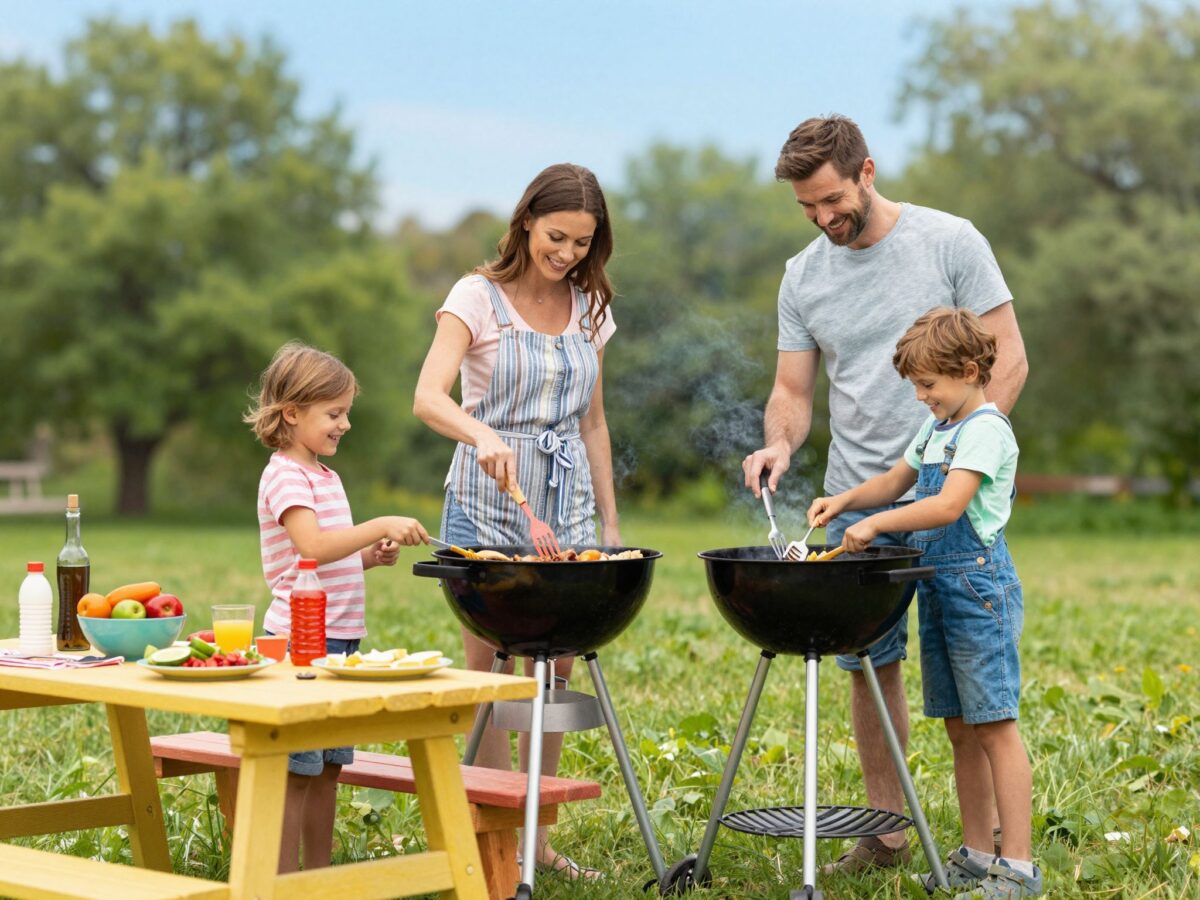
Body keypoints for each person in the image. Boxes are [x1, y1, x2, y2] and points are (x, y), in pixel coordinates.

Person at [742, 115, 1028, 874]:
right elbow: (792, 391)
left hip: (948, 496)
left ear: (866, 171)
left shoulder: (951, 242)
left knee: (970, 674)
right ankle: (887, 830)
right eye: (807, 207)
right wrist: (779, 443)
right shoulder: (803, 275)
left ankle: (993, 842)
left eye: (832, 199)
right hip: (863, 489)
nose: (823, 218)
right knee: (870, 665)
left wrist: (961, 458)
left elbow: (1011, 361)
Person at [413, 163, 621, 879]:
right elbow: (427, 397)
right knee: (493, 664)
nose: (565, 253)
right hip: (486, 494)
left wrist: (610, 529)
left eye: (581, 243)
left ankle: (536, 838)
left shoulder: (590, 307)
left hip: (564, 500)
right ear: (527, 220)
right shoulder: (478, 297)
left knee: (557, 664)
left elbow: (593, 424)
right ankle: (488, 833)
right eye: (556, 236)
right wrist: (482, 435)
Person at [808, 307, 1041, 897]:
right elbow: (893, 481)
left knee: (996, 726)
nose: (920, 397)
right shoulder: (938, 428)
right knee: (961, 728)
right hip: (938, 587)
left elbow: (947, 506)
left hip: (978, 588)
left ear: (968, 371)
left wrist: (878, 524)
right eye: (915, 386)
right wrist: (844, 503)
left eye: (928, 385)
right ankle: (973, 854)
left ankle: (1016, 866)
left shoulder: (986, 429)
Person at [244, 341, 429, 873]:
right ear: (292, 412)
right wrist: (378, 524)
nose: (345, 424)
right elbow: (313, 547)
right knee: (296, 769)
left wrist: (369, 555)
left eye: (346, 412)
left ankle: (317, 877)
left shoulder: (326, 476)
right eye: (334, 413)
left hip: (340, 641)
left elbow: (331, 557)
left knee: (327, 768)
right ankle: (280, 882)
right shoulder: (284, 474)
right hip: (303, 642)